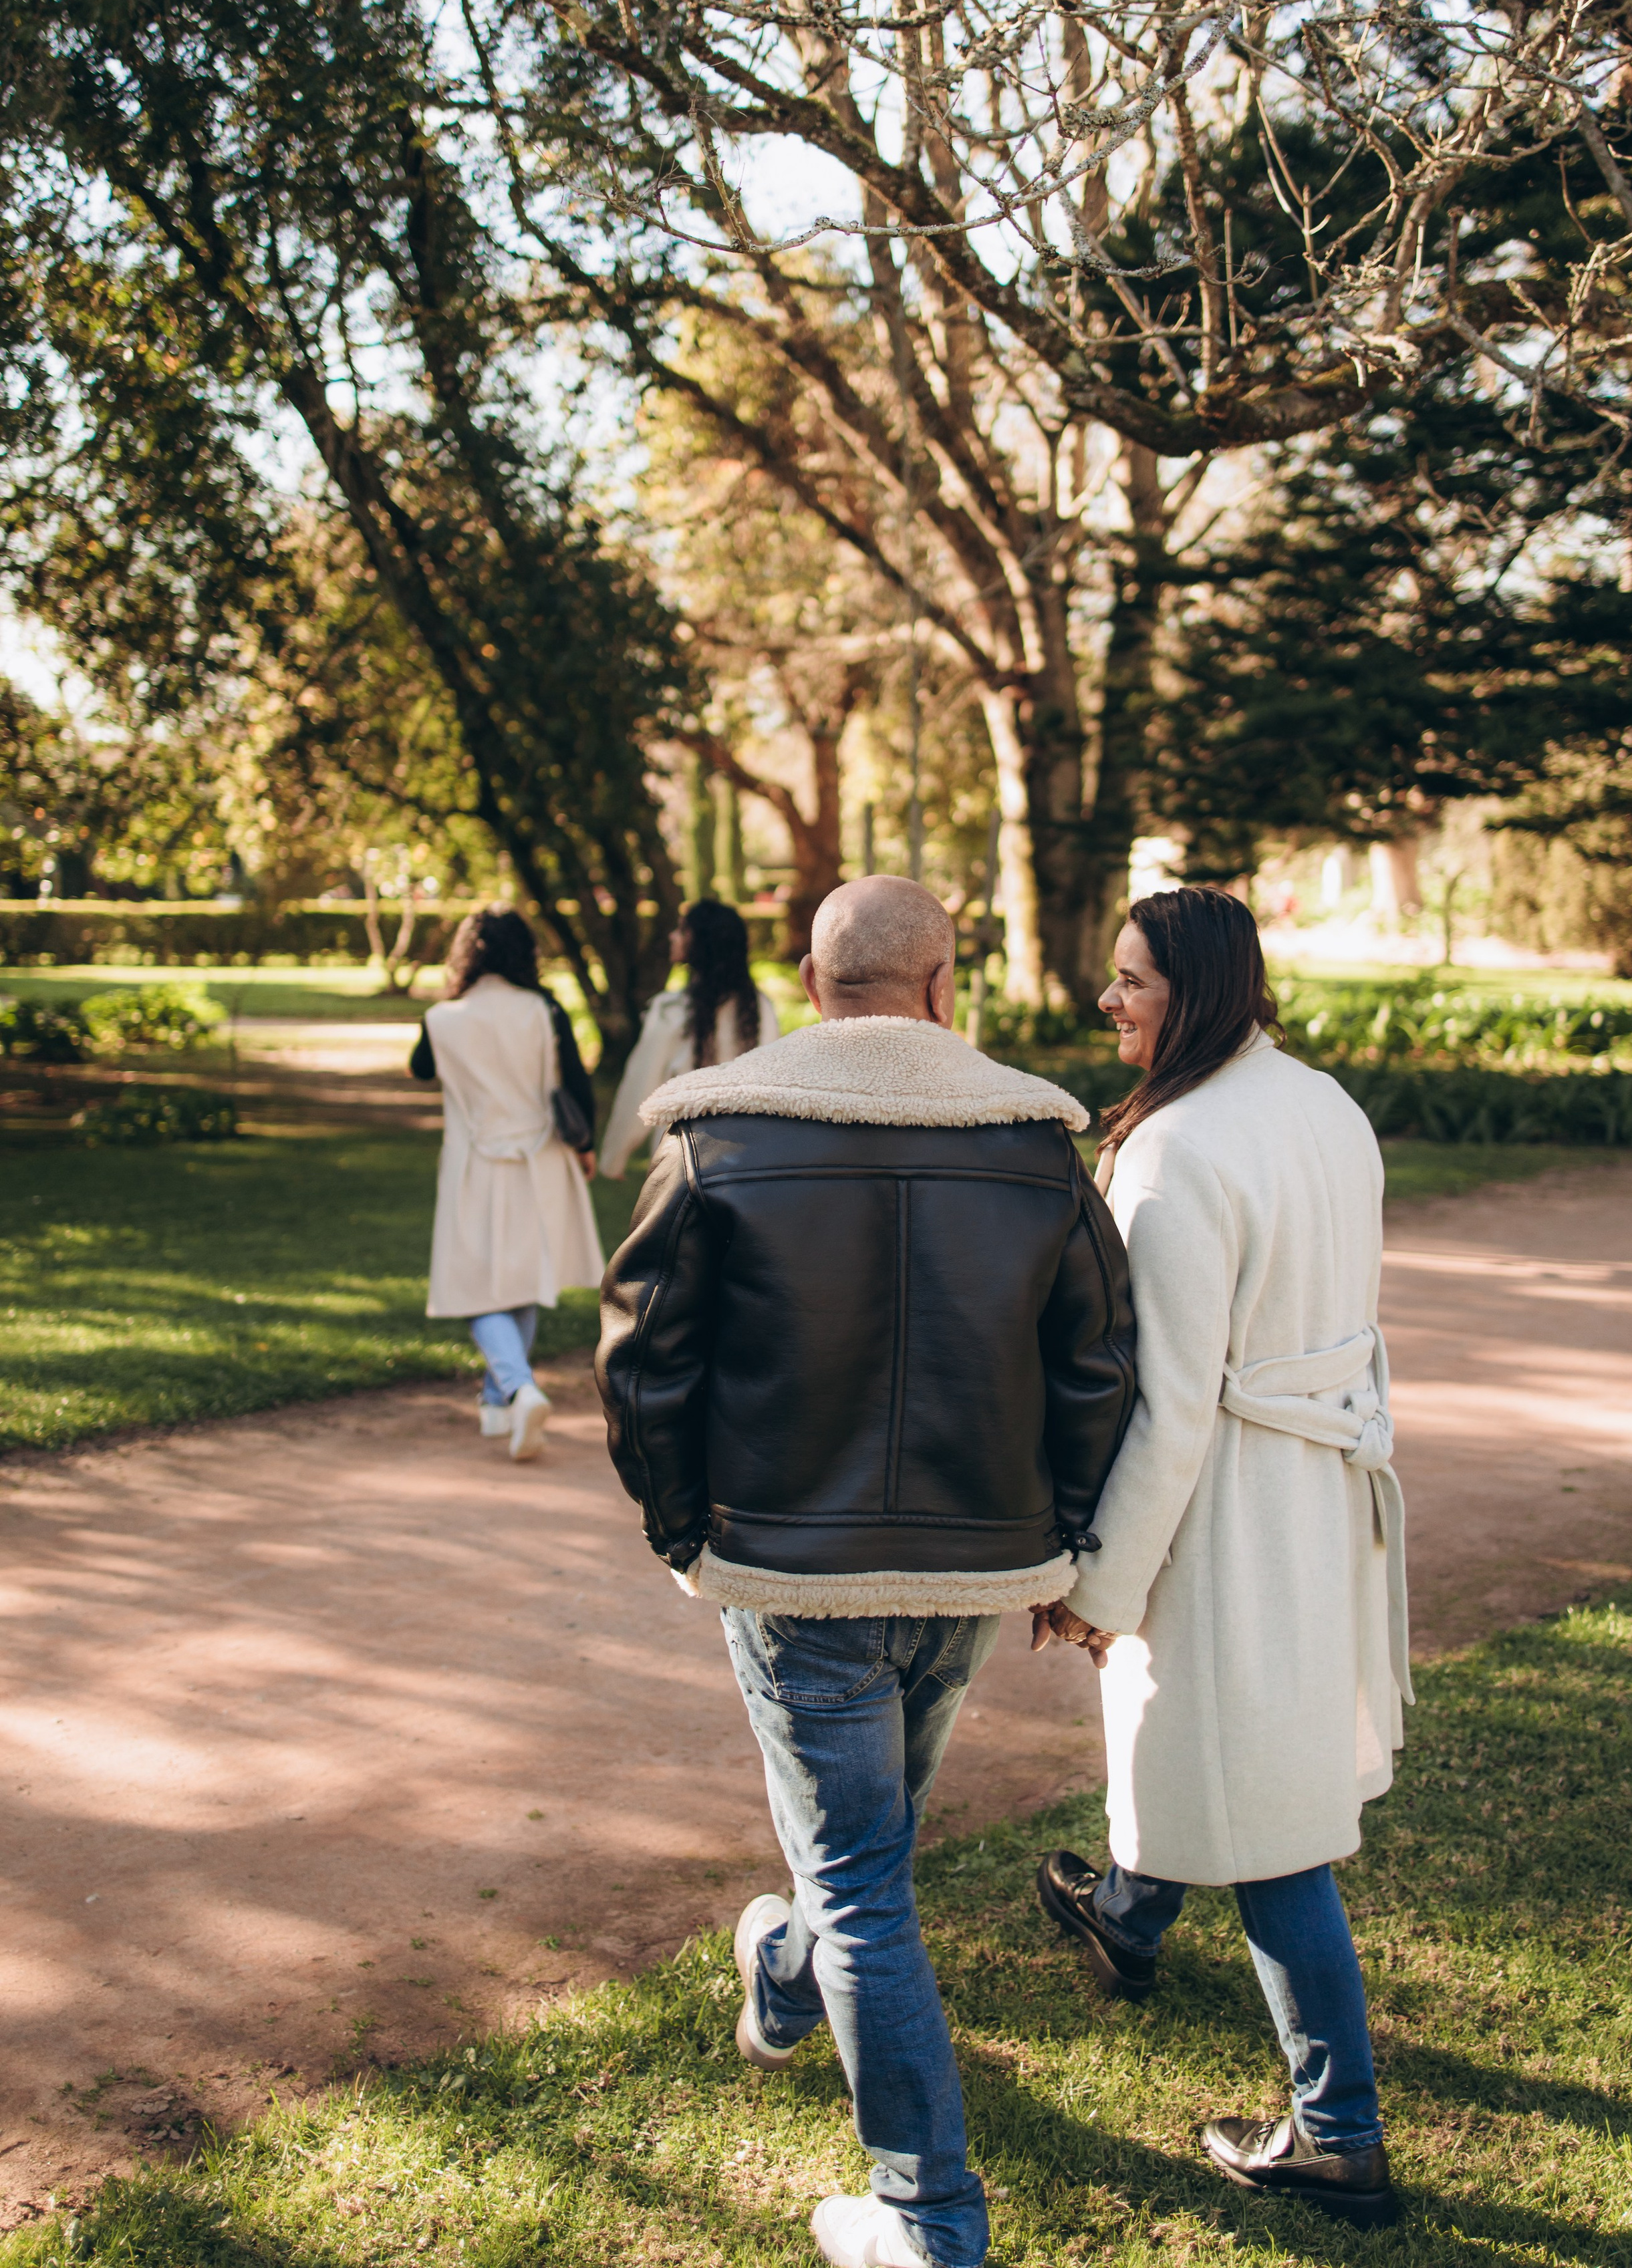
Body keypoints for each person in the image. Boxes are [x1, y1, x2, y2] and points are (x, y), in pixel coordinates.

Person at [596, 876, 1137, 2268]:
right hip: (966, 1567)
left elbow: (646, 1353)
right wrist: (1060, 1535)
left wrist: (679, 1529)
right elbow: (1095, 1366)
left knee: (857, 1877)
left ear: (807, 979)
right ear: (943, 985)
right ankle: (781, 1974)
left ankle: (928, 2220)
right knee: (861, 1859)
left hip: (790, 1567)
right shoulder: (1031, 1143)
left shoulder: (724, 1130)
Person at [1032, 886, 1409, 2228]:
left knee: (1264, 1825)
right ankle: (1128, 1914)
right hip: (1316, 1497)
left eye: (1130, 979)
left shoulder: (1174, 1150)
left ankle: (1337, 2132)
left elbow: (1168, 1399)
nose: (1109, 1000)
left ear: (1190, 988)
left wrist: (1099, 1583)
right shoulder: (1325, 1107)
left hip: (1228, 1516)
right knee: (1234, 1756)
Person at [412, 906, 605, 1461]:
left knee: (477, 1282)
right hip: (541, 1156)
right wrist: (585, 1145)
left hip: (475, 1161)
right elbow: (575, 1079)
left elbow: (421, 1068)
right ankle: (501, 1401)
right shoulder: (544, 1010)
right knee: (522, 1274)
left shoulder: (442, 1017)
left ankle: (515, 1390)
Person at [597, 896, 779, 1177]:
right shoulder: (759, 1008)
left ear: (701, 943)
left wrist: (614, 1157)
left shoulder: (672, 1011)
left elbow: (641, 1085)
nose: (672, 937)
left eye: (682, 930)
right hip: (747, 1157)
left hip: (682, 1161)